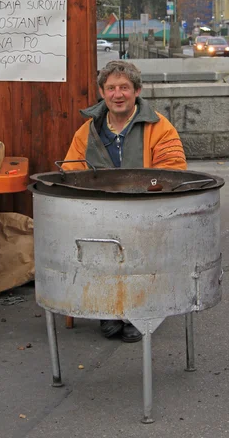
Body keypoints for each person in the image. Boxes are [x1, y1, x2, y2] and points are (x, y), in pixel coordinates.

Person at [64, 60, 187, 343]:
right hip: (100, 216)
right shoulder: (87, 131)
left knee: (140, 256)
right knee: (101, 250)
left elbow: (173, 172)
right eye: (111, 88)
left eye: (124, 88)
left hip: (146, 214)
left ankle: (139, 311)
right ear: (102, 93)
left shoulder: (160, 127)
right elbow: (71, 172)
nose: (117, 95)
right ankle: (109, 309)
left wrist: (144, 199)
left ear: (137, 91)